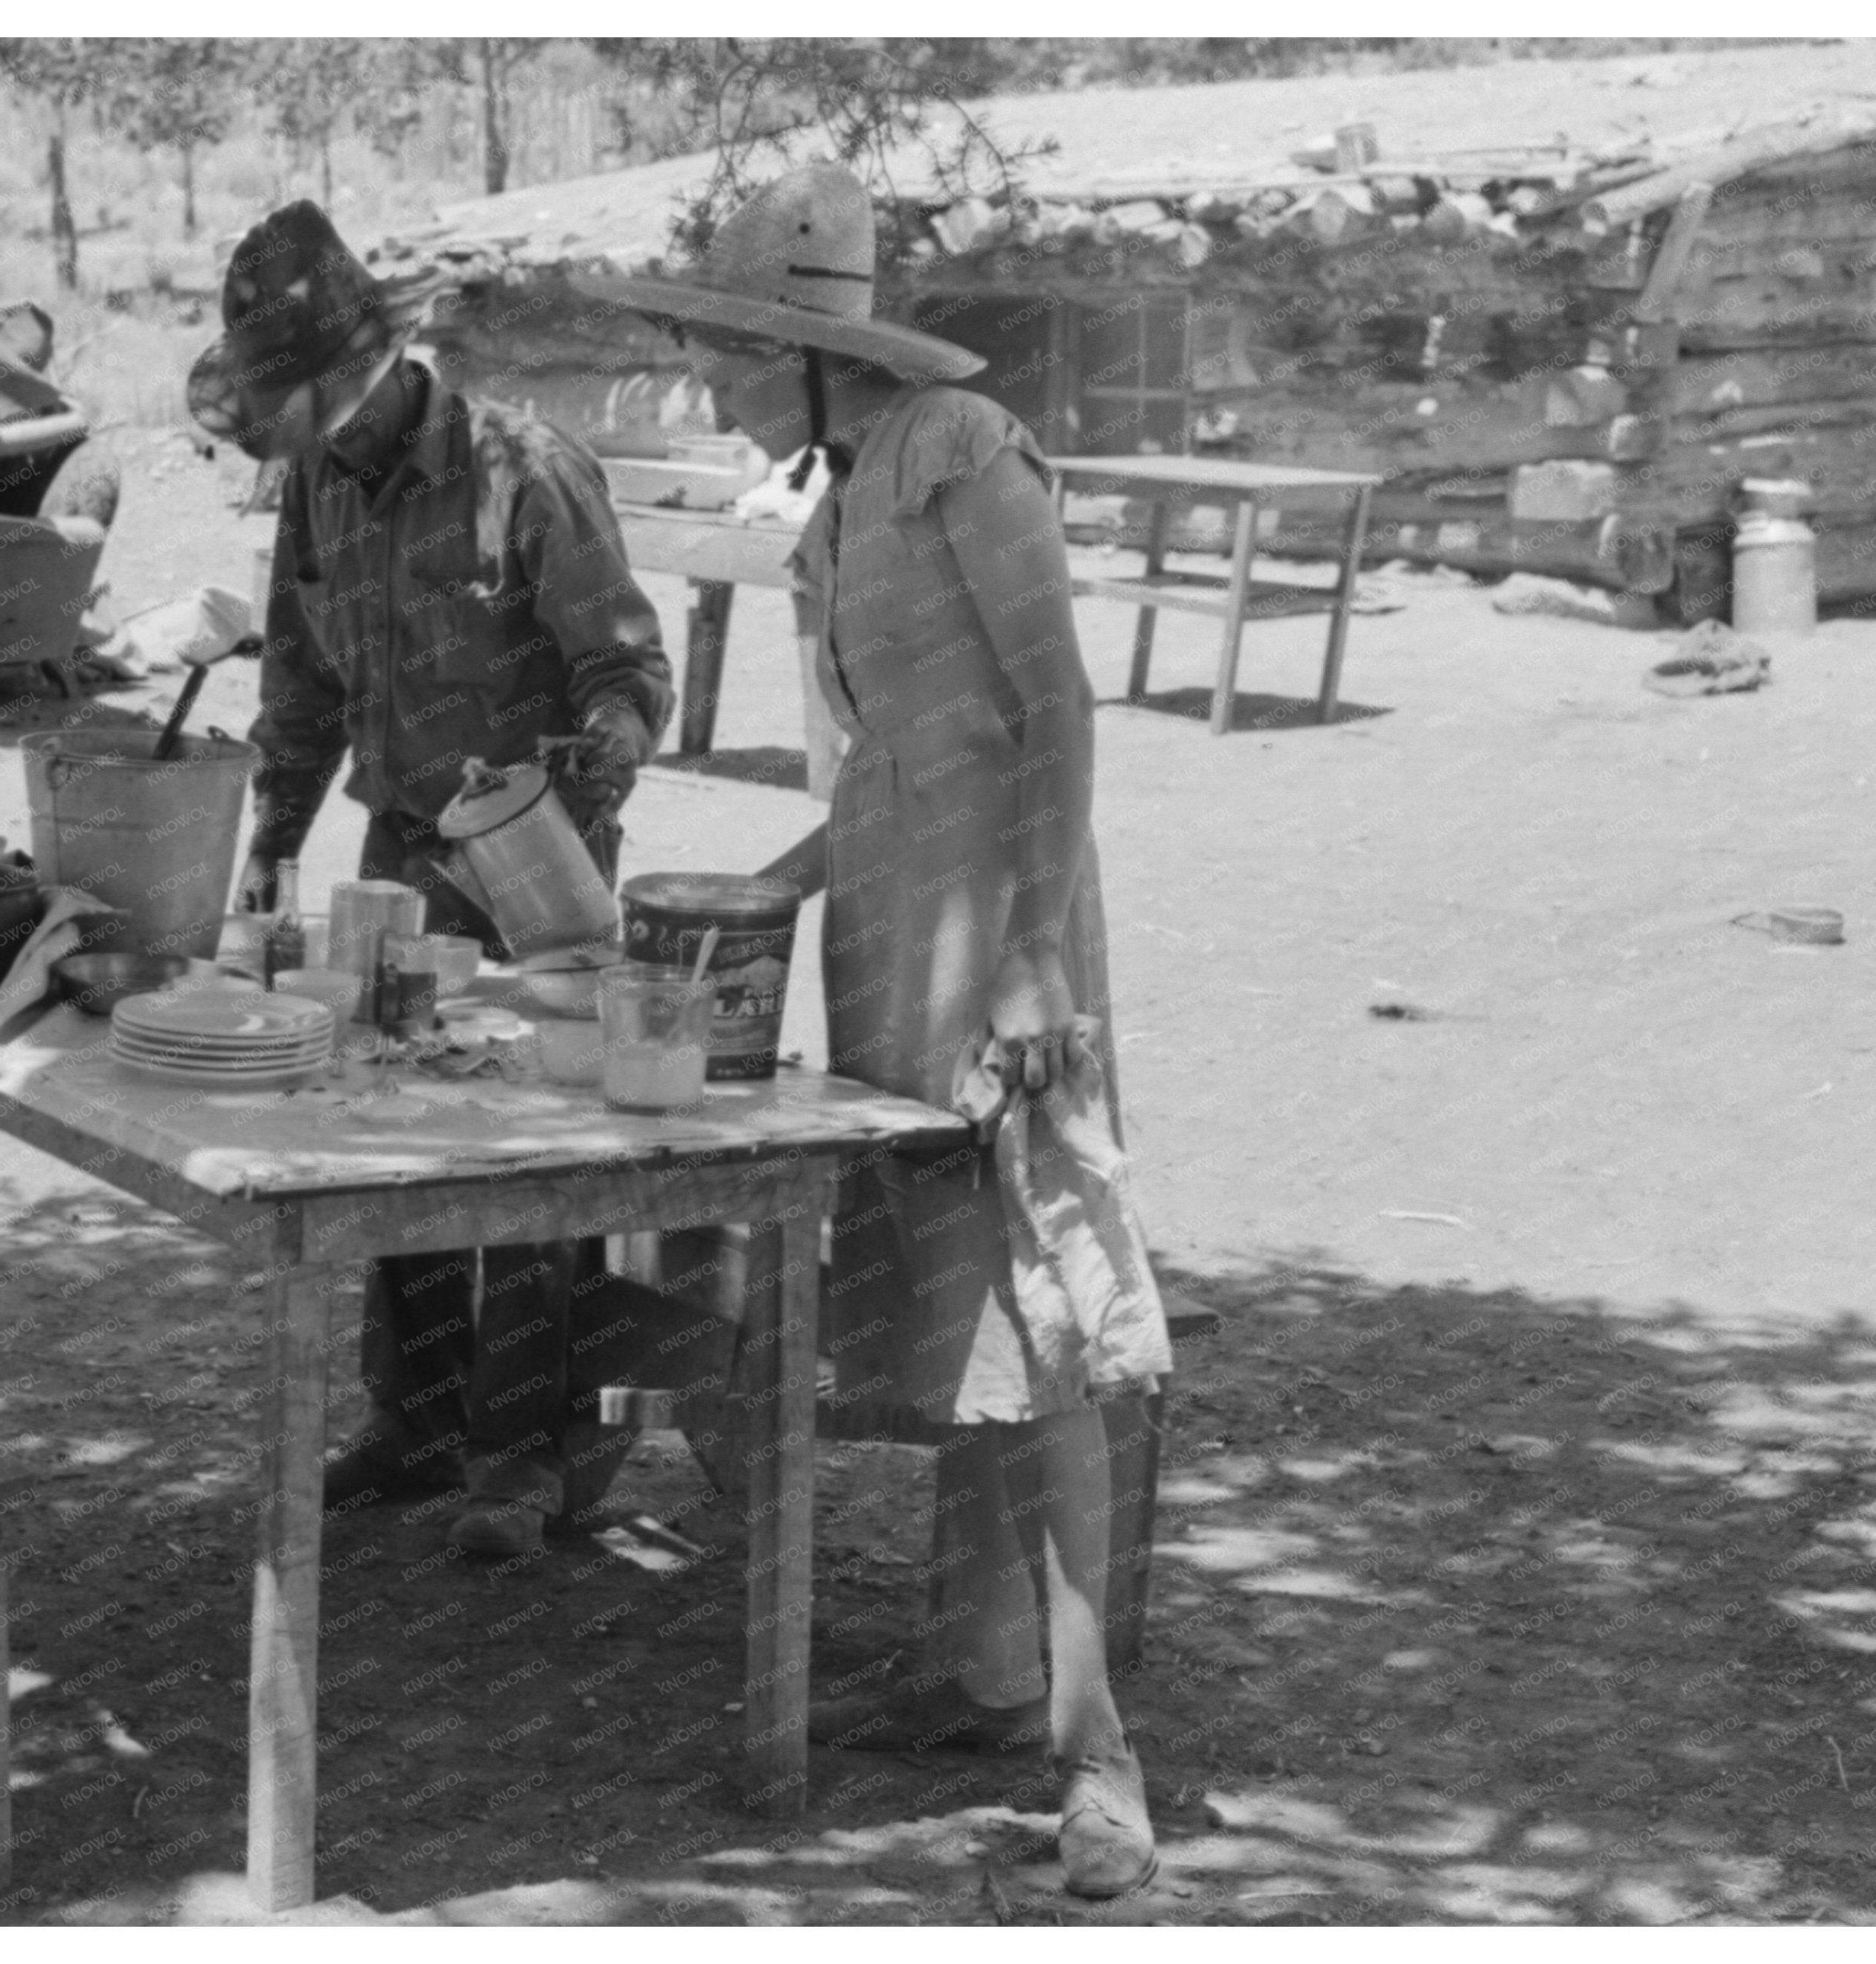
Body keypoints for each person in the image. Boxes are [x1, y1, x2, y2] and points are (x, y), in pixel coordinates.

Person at [574, 163, 1175, 1898]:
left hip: (1005, 947)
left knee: (1054, 1316)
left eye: (744, 354)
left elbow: (1050, 709)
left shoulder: (958, 455)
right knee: (959, 1322)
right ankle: (979, 1673)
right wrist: (750, 887)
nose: (719, 387)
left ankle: (1099, 1759)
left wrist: (1038, 962)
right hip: (894, 954)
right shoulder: (835, 504)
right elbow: (887, 763)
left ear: (828, 354)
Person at [189, 200, 676, 1558]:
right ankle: (418, 1419)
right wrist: (268, 863)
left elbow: (628, 669)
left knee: (522, 1160)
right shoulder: (319, 488)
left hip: (538, 860)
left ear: (358, 376)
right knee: (387, 1129)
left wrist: (585, 785)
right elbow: (296, 690)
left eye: (304, 415)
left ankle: (524, 1455)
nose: (299, 445)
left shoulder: (526, 468)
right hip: (398, 851)